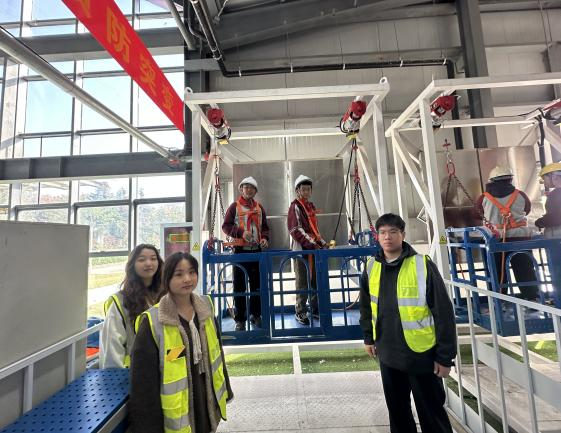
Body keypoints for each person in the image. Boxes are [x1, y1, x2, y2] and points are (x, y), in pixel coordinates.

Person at [359, 213, 456, 433]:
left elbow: (443, 313)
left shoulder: (422, 265)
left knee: (431, 413)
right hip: (388, 353)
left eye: (393, 232)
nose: (388, 237)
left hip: (421, 354)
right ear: (377, 236)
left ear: (403, 234)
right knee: (398, 413)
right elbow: (365, 306)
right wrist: (368, 337)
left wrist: (445, 356)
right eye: (383, 232)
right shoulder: (371, 266)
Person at [130, 252, 233, 433]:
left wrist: (227, 391)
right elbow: (144, 382)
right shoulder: (153, 321)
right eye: (179, 274)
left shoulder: (205, 307)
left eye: (192, 272)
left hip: (206, 396)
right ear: (167, 278)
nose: (187, 279)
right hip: (177, 410)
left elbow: (217, 352)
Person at [474, 165, 539, 301]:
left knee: (497, 271)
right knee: (525, 270)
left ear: (492, 181)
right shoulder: (520, 195)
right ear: (510, 179)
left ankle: (499, 300)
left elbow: (477, 214)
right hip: (520, 238)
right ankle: (532, 297)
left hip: (496, 239)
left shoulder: (483, 198)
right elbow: (527, 210)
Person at [99, 243, 163, 369]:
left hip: (162, 369)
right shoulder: (120, 301)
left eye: (153, 258)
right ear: (132, 265)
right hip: (134, 371)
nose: (148, 263)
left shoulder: (165, 295)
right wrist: (116, 375)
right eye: (141, 259)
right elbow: (112, 346)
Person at [222, 176, 270, 331]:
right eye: (246, 187)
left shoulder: (259, 208)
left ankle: (256, 315)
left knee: (257, 287)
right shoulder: (234, 207)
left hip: (257, 253)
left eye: (252, 188)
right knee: (239, 287)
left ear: (255, 191)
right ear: (241, 190)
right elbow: (226, 226)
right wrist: (241, 233)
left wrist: (265, 239)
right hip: (240, 253)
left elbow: (265, 228)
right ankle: (240, 320)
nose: (248, 190)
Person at [287, 175, 327, 325]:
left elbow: (314, 229)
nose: (305, 191)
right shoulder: (295, 207)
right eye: (303, 189)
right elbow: (295, 229)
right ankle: (300, 311)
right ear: (297, 191)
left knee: (315, 281)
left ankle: (315, 310)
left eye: (308, 189)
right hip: (301, 251)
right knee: (302, 282)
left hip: (314, 249)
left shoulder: (310, 206)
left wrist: (322, 242)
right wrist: (312, 244)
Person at [536, 162, 561, 239]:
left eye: (544, 178)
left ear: (554, 176)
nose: (544, 182)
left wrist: (541, 221)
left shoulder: (556, 194)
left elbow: (556, 216)